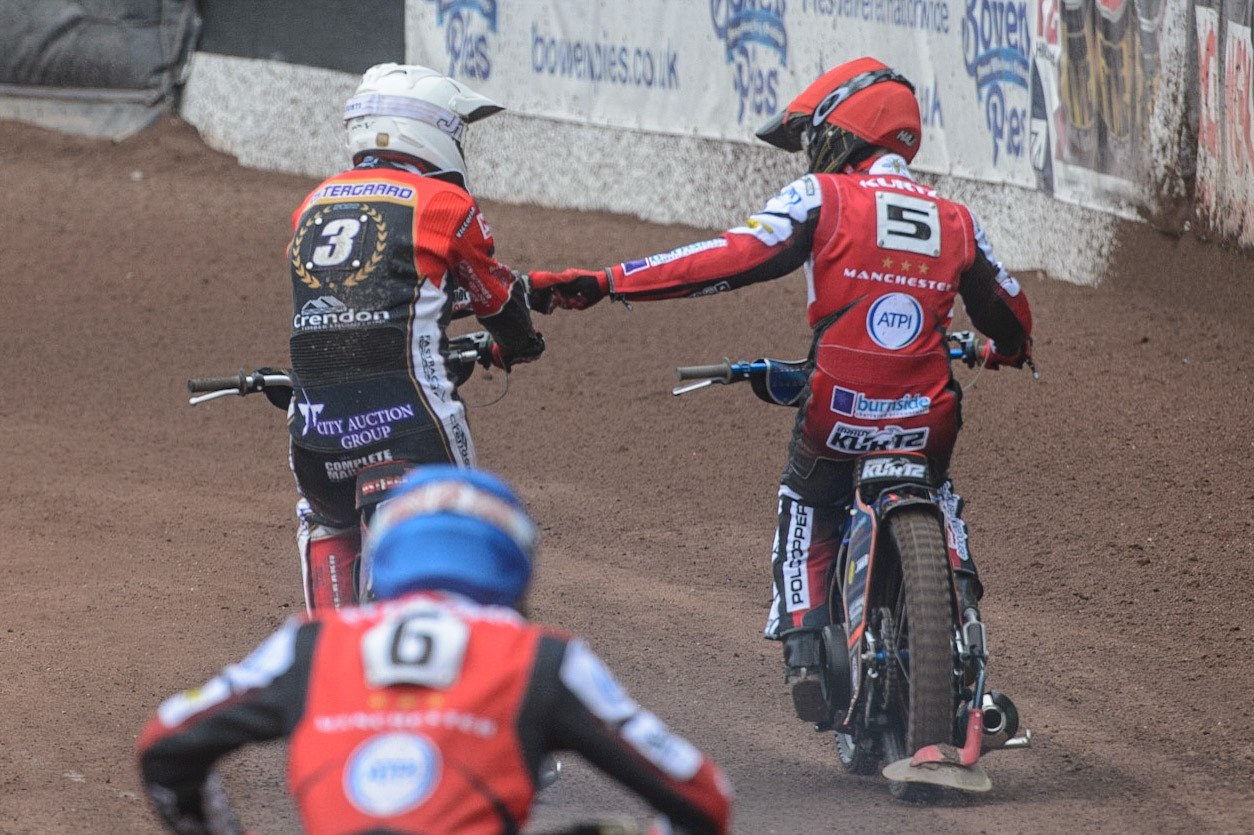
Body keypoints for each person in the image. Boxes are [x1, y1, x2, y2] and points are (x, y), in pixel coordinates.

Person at [527, 57, 1033, 724]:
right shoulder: (957, 217)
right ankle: (959, 605)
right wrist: (1007, 351)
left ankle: (801, 640)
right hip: (926, 415)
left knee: (807, 495)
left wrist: (610, 279)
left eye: (817, 136)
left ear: (847, 129)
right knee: (938, 490)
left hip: (836, 407)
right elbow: (1011, 309)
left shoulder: (823, 195)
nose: (812, 152)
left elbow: (730, 256)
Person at [137, 466, 733, 835]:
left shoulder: (310, 643)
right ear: (514, 567)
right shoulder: (543, 658)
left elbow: (164, 742)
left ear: (389, 557)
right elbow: (705, 800)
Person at [286, 63, 546, 611]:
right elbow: (495, 299)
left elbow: (354, 302)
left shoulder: (312, 205)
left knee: (321, 516)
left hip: (314, 426)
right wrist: (521, 343)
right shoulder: (444, 205)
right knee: (460, 524)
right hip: (411, 419)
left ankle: (327, 637)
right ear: (429, 132)